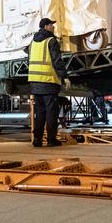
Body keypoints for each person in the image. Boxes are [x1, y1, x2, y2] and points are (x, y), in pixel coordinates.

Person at [26, 16, 66, 147]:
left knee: (40, 113)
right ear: (45, 27)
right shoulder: (51, 41)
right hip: (48, 82)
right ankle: (51, 139)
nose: (53, 27)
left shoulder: (33, 42)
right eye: (51, 25)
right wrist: (64, 76)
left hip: (35, 83)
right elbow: (57, 61)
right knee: (51, 113)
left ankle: (37, 140)